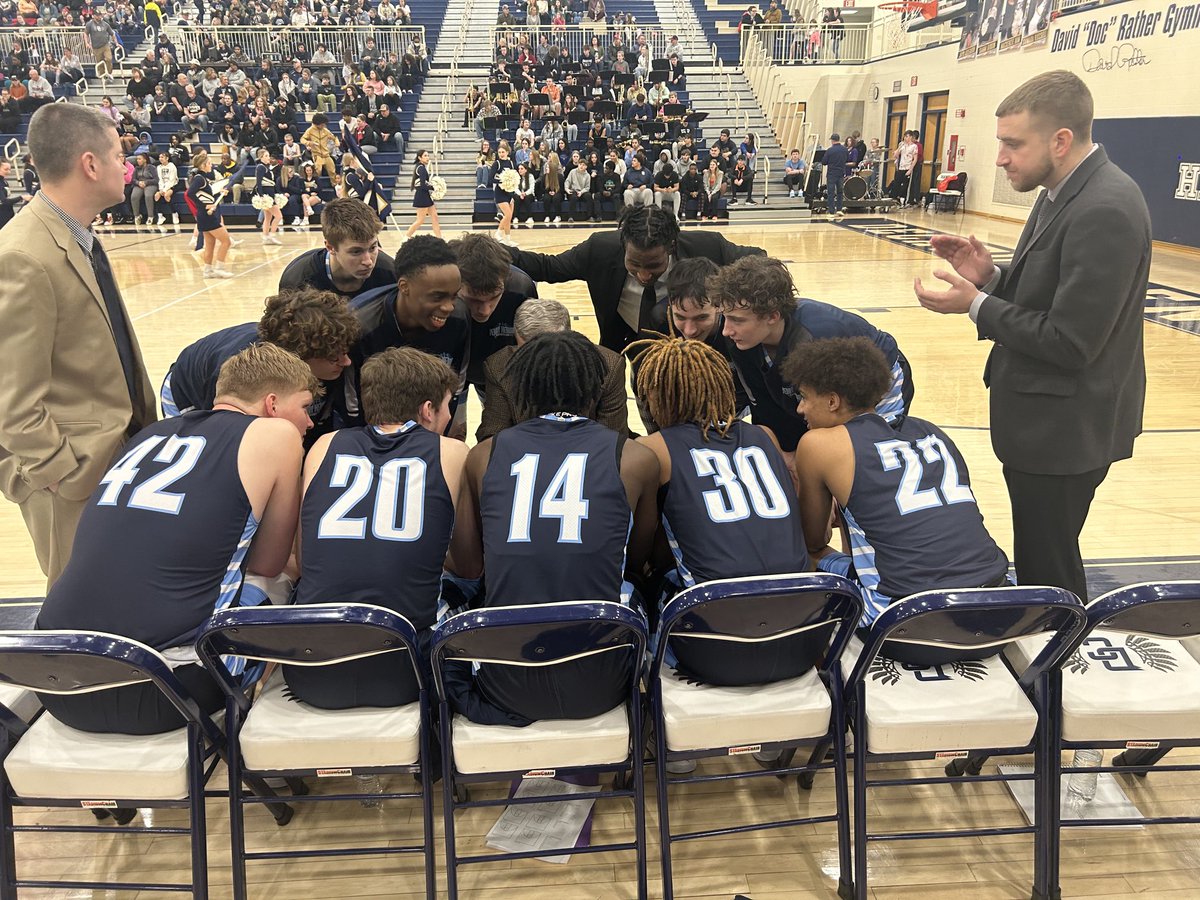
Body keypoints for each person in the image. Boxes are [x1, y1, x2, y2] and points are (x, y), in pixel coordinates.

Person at [914, 70, 1150, 603]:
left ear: (1060, 140)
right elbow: (1051, 299)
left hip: (1066, 429)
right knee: (1046, 553)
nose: (999, 157)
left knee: (1049, 564)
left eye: (1012, 143)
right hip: (1048, 422)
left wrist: (974, 305)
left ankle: (1056, 663)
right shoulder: (1061, 191)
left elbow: (1071, 342)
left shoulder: (1105, 207)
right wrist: (993, 279)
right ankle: (1054, 649)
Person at [35, 343, 312, 734]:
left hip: (50, 678)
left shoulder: (149, 435)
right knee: (285, 583)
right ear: (272, 404)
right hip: (159, 691)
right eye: (305, 407)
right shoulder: (277, 434)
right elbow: (269, 562)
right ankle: (263, 743)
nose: (309, 422)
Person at [447, 331, 660, 725]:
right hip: (604, 682)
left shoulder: (482, 456)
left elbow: (468, 566)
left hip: (505, 680)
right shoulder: (636, 458)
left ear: (522, 388)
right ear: (596, 390)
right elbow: (639, 557)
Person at [0, 104, 156, 588]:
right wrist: (60, 473)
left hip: (117, 455)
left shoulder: (77, 234)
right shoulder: (23, 255)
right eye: (117, 155)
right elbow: (11, 400)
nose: (125, 166)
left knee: (122, 599)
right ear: (90, 165)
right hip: (72, 478)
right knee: (84, 617)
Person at [786, 337, 1010, 663]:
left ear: (833, 401)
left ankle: (820, 671)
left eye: (805, 397)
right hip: (997, 614)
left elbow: (813, 539)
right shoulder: (932, 430)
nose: (800, 408)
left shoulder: (819, 444)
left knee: (805, 557)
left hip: (911, 625)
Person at [284, 348, 468, 710]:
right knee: (475, 584)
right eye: (448, 405)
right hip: (405, 673)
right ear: (428, 410)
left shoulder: (323, 445)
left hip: (311, 671)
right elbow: (470, 564)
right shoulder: (452, 451)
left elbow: (305, 561)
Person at [630, 335, 810, 684]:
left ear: (658, 396)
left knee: (643, 580)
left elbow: (645, 546)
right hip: (802, 638)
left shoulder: (654, 449)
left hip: (720, 647)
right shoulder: (764, 435)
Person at [710, 256, 913, 459]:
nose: (726, 330)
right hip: (819, 393)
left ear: (773, 316)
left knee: (866, 457)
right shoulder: (742, 340)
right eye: (725, 318)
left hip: (879, 381)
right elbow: (763, 407)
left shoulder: (815, 337)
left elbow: (835, 413)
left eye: (737, 320)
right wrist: (784, 455)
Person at [508, 205, 764, 351]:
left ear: (672, 247)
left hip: (700, 351)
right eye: (634, 264)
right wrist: (497, 253)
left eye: (653, 266)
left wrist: (725, 299)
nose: (643, 275)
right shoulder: (600, 249)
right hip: (631, 349)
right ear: (623, 246)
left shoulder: (708, 247)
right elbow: (548, 267)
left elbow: (759, 260)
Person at [160, 288, 360, 447]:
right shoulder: (239, 371)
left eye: (346, 351)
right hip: (188, 393)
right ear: (301, 357)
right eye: (334, 357)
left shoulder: (326, 362)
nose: (347, 361)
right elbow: (220, 438)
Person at [349, 236, 470, 439]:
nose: (449, 307)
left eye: (454, 296)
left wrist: (437, 443)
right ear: (404, 287)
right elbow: (351, 405)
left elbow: (454, 389)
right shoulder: (360, 324)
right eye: (437, 297)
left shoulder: (460, 318)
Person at [478, 299, 628, 441]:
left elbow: (612, 438)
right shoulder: (499, 366)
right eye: (526, 352)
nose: (535, 361)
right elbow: (493, 436)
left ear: (569, 340)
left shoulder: (609, 366)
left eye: (543, 353)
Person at [448, 232, 537, 401]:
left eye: (494, 298)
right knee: (454, 426)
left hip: (499, 371)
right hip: (450, 369)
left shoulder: (521, 288)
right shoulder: (442, 289)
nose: (485, 310)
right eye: (474, 300)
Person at [279, 198, 396, 301]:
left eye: (372, 248)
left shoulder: (391, 274)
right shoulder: (298, 280)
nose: (368, 261)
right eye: (356, 252)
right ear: (330, 247)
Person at [187, 150, 234, 279]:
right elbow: (190, 193)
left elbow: (208, 193)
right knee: (226, 241)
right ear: (203, 165)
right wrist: (203, 205)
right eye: (209, 163)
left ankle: (207, 271)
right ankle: (219, 268)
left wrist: (221, 192)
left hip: (205, 215)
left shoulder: (203, 178)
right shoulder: (199, 178)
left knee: (210, 244)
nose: (211, 166)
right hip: (206, 215)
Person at [406, 148, 441, 238]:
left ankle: (439, 238)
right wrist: (434, 187)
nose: (427, 157)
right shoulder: (421, 168)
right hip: (422, 196)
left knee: (435, 217)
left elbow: (424, 184)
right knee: (420, 220)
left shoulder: (421, 167)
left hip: (425, 195)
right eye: (425, 156)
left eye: (428, 155)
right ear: (419, 158)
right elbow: (422, 185)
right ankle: (406, 237)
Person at [252, 148, 284, 246]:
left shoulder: (266, 167)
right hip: (266, 196)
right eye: (266, 156)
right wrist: (261, 196)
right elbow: (258, 182)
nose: (268, 158)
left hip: (269, 194)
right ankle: (272, 235)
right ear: (261, 157)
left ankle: (265, 237)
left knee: (268, 217)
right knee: (278, 216)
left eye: (268, 155)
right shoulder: (260, 167)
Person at [823, 133, 848, 217]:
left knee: (831, 192)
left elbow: (824, 162)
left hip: (831, 174)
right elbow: (846, 159)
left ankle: (831, 211)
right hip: (841, 173)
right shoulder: (845, 150)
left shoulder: (830, 150)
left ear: (832, 141)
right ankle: (839, 209)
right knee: (840, 192)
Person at [0, 159, 15, 229]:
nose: (9, 172)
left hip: (7, 213)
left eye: (10, 169)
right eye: (6, 169)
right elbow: (4, 201)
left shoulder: (4, 181)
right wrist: (21, 197)